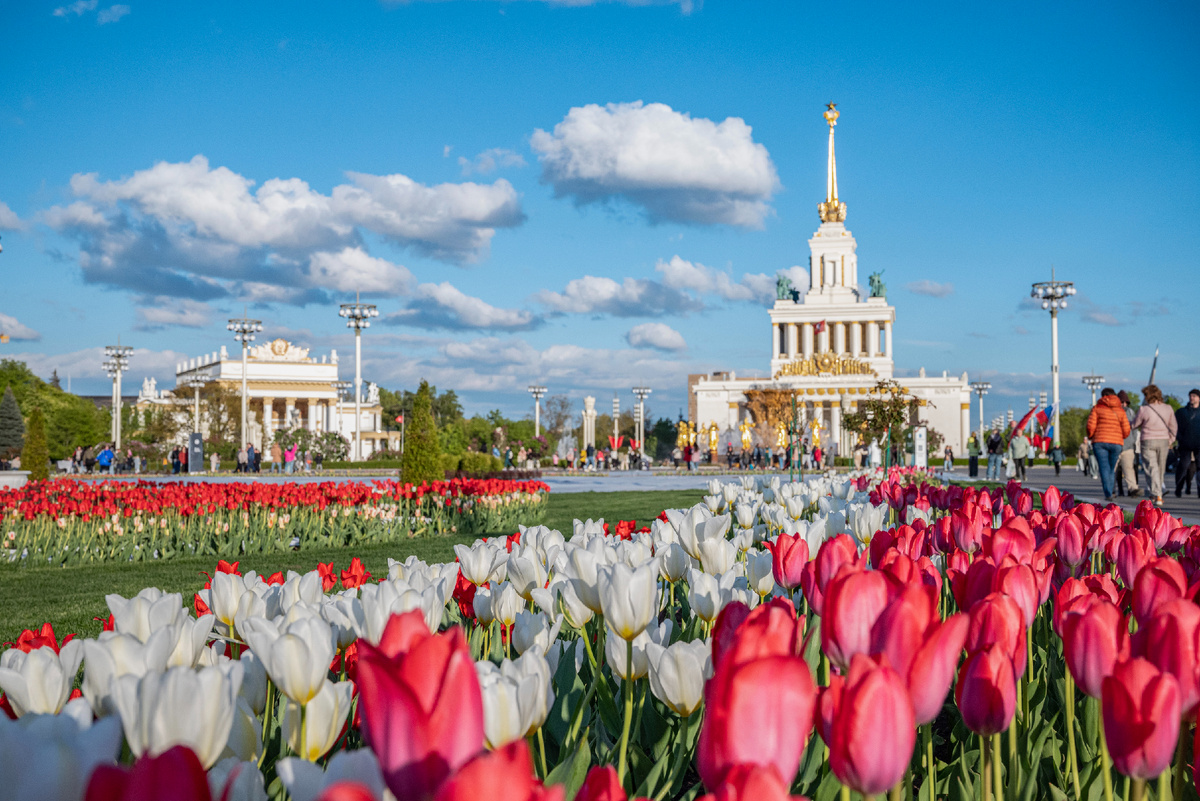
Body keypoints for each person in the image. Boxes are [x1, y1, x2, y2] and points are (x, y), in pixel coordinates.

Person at [1131, 384, 1177, 507]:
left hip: (1148, 440)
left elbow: (1134, 424)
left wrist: (1128, 423)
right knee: (1160, 469)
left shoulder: (1144, 409)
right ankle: (1157, 493)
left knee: (1151, 468)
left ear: (1148, 395)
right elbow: (1173, 426)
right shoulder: (1168, 408)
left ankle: (1156, 493)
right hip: (1164, 441)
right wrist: (1171, 440)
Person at [1086, 387, 1131, 502]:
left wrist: (1091, 436)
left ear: (1103, 396)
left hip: (1100, 442)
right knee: (1111, 468)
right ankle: (1110, 491)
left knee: (1104, 468)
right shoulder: (1121, 410)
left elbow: (1090, 426)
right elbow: (1126, 429)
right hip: (1116, 443)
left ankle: (1108, 493)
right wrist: (1120, 436)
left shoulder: (1097, 408)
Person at [1114, 391, 1140, 496]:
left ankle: (1133, 489)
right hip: (1115, 444)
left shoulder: (1130, 412)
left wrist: (1133, 440)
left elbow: (1134, 428)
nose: (1124, 404)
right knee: (1113, 470)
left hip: (1128, 446)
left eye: (1126, 402)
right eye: (1122, 402)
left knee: (1129, 469)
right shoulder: (1113, 411)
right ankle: (1112, 490)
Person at [1175, 389, 1200, 497]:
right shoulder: (1182, 412)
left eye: (1194, 396)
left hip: (1199, 444)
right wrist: (1179, 438)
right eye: (1190, 396)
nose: (1192, 398)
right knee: (1183, 466)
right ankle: (1179, 488)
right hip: (1185, 443)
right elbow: (1175, 426)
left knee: (1199, 467)